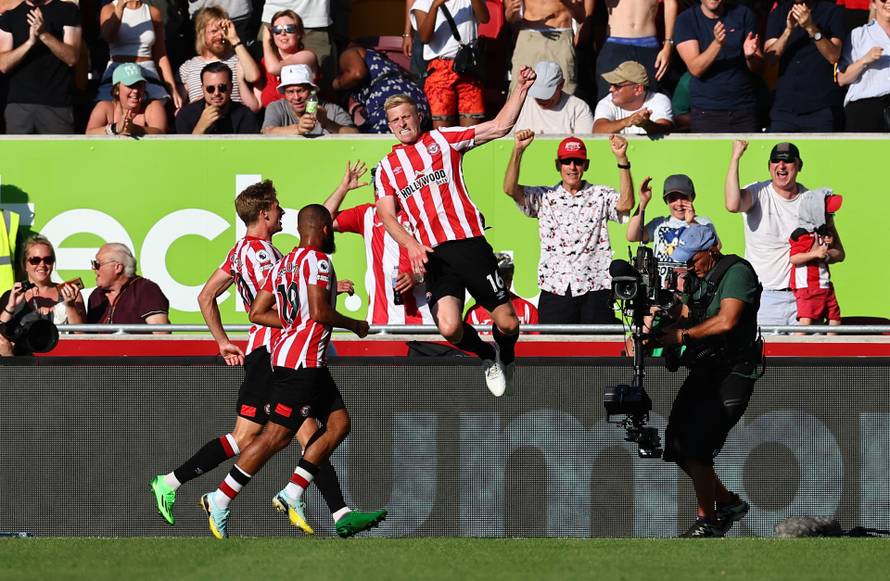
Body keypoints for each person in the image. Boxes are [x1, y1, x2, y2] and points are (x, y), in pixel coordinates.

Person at [150, 181, 379, 538]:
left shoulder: (253, 252)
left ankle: (331, 509)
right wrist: (306, 316)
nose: (282, 211)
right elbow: (276, 302)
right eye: (276, 207)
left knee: (293, 433)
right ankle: (202, 490)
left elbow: (209, 296)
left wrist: (224, 341)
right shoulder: (260, 255)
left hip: (280, 351)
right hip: (276, 352)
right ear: (264, 213)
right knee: (275, 436)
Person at [373, 67, 538, 398]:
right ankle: (487, 355)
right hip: (434, 255)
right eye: (395, 120)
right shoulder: (388, 167)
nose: (402, 124)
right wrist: (412, 245)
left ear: (418, 116)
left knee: (508, 323)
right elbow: (387, 216)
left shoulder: (443, 140)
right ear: (389, 126)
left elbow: (499, 126)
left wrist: (520, 88)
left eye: (406, 116)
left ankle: (506, 354)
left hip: (469, 245)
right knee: (449, 326)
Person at [655, 222, 761, 538]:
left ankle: (708, 521)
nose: (689, 267)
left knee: (696, 447)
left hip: (734, 372)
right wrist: (661, 320)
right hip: (706, 369)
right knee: (676, 444)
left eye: (693, 259)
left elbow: (727, 320)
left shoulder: (737, 272)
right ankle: (728, 503)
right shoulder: (697, 279)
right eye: (684, 261)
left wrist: (682, 336)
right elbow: (689, 314)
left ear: (712, 249)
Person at [503, 130, 634, 325]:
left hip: (595, 287)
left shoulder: (600, 194)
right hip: (556, 289)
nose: (572, 167)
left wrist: (622, 159)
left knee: (599, 344)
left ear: (586, 165)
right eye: (566, 161)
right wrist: (518, 150)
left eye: (578, 161)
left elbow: (626, 204)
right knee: (556, 345)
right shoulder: (544, 196)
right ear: (558, 165)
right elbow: (509, 189)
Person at [724, 140, 844, 326]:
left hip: (805, 298)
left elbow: (839, 252)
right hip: (764, 298)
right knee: (765, 346)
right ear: (769, 166)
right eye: (776, 160)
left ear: (799, 166)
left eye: (787, 160)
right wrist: (735, 157)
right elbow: (732, 205)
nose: (781, 165)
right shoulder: (759, 192)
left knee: (811, 347)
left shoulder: (812, 201)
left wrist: (823, 255)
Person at [324, 164, 434, 325]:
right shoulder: (367, 214)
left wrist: (415, 277)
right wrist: (343, 188)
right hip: (380, 321)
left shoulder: (420, 215)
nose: (379, 193)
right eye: (377, 188)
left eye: (385, 188)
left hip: (422, 321)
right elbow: (321, 221)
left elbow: (440, 263)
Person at [674, 0, 763, 133]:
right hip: (706, 111)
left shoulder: (743, 14)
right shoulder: (686, 19)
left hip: (744, 108)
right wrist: (717, 43)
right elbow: (695, 69)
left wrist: (750, 56)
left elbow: (759, 68)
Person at [0, 0, 81, 134]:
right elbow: (3, 64)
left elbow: (72, 58)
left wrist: (44, 34)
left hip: (57, 104)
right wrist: (30, 42)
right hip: (18, 104)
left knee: (59, 148)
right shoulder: (10, 16)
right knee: (18, 148)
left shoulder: (68, 11)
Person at [764, 0, 845, 132]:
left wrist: (810, 27)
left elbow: (833, 56)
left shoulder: (832, 12)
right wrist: (788, 31)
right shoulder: (778, 13)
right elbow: (770, 59)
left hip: (820, 108)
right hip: (784, 108)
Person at [0, 235, 84, 357]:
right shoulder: (11, 296)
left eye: (48, 260)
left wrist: (70, 306)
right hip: (22, 365)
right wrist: (11, 307)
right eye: (35, 260)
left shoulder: (70, 293)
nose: (42, 264)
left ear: (53, 263)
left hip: (61, 364)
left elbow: (82, 337)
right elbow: (1, 338)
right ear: (25, 264)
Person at [412, 0, 489, 128]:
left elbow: (485, 18)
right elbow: (424, 37)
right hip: (440, 69)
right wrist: (435, 5)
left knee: (471, 132)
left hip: (468, 68)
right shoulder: (424, 2)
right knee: (442, 131)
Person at [96, 0, 183, 108]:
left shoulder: (153, 12)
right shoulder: (109, 9)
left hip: (147, 71)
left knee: (155, 108)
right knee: (108, 108)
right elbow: (108, 36)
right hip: (118, 70)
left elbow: (160, 55)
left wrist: (173, 88)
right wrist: (120, 8)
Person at [331, 45, 430, 134]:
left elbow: (356, 73)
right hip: (417, 103)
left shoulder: (349, 52)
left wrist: (336, 84)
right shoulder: (380, 60)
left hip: (391, 103)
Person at [177, 6, 261, 112]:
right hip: (202, 119)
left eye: (224, 30)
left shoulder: (238, 59)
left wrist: (234, 39)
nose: (220, 36)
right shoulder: (188, 67)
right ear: (202, 33)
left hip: (233, 118)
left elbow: (253, 77)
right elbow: (179, 108)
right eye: (214, 31)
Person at [505, 0, 594, 96]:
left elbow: (581, 17)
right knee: (519, 91)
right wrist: (510, 12)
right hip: (529, 39)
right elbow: (510, 18)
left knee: (565, 90)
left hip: (560, 40)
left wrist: (568, 3)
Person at [594, 0, 678, 100]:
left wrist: (668, 44)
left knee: (654, 97)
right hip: (615, 43)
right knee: (610, 97)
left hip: (648, 45)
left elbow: (670, 4)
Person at [626, 173, 714, 267]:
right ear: (666, 200)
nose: (679, 203)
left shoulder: (703, 222)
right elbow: (632, 236)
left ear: (692, 197)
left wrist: (692, 223)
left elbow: (716, 246)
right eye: (673, 198)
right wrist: (643, 202)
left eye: (684, 197)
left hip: (689, 276)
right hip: (659, 276)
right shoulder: (659, 223)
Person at [789, 191, 844, 330]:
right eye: (828, 214)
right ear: (816, 213)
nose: (831, 217)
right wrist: (815, 254)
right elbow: (794, 258)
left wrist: (829, 246)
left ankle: (832, 341)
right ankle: (799, 341)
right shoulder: (803, 234)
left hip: (824, 284)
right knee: (806, 319)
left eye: (832, 214)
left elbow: (839, 254)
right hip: (808, 286)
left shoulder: (824, 232)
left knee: (835, 316)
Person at [87, 242, 170, 327]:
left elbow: (160, 332)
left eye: (97, 264)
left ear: (118, 267)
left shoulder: (146, 289)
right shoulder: (96, 295)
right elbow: (85, 333)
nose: (93, 268)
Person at [837, 0, 890, 132]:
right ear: (873, 3)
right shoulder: (858, 34)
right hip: (866, 108)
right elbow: (841, 78)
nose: (888, 2)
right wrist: (864, 60)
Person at [262, 63, 356, 136]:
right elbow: (267, 132)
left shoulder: (331, 110)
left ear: (312, 90)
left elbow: (356, 134)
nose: (296, 97)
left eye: (301, 90)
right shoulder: (276, 107)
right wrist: (298, 129)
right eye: (290, 92)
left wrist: (327, 123)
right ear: (284, 93)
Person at [256, 10, 318, 108]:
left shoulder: (308, 56)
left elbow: (274, 69)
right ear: (272, 34)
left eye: (289, 29)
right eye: (277, 30)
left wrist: (266, 42)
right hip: (273, 116)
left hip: (307, 115)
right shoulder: (266, 61)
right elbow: (256, 105)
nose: (283, 33)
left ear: (299, 33)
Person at [175, 61, 259, 134]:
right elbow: (183, 148)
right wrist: (200, 129)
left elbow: (248, 147)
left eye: (222, 87)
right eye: (210, 88)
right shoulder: (186, 115)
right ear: (203, 89)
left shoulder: (245, 115)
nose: (216, 93)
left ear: (231, 88)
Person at [86, 63, 168, 136]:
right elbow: (89, 133)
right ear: (117, 90)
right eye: (130, 85)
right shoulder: (105, 107)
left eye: (139, 85)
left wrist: (135, 129)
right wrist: (115, 128)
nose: (135, 90)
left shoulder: (153, 106)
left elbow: (161, 133)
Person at [593, 60, 673, 135]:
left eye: (616, 85)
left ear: (638, 89)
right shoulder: (606, 102)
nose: (611, 89)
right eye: (611, 84)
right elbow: (597, 131)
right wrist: (626, 121)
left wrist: (646, 124)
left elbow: (666, 131)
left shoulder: (659, 100)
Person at [514, 60, 594, 134]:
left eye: (546, 94)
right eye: (537, 93)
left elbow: (585, 142)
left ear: (561, 85)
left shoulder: (578, 108)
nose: (541, 99)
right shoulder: (520, 103)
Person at [464, 252, 538, 329]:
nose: (502, 281)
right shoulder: (474, 313)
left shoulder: (527, 309)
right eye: (498, 277)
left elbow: (536, 336)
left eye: (507, 276)